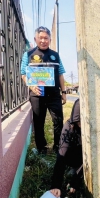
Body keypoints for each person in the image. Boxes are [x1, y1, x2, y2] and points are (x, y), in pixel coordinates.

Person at [21, 26, 67, 154]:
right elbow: (23, 73)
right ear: (35, 39)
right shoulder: (28, 54)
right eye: (40, 38)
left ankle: (58, 146)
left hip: (54, 95)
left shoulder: (55, 55)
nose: (43, 40)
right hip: (37, 94)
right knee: (38, 121)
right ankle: (41, 148)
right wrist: (31, 86)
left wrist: (63, 92)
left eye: (46, 38)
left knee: (58, 120)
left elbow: (61, 74)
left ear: (50, 39)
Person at [50, 99, 83, 198]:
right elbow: (61, 155)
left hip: (83, 160)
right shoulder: (69, 127)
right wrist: (56, 185)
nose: (81, 124)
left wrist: (75, 181)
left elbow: (91, 157)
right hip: (71, 157)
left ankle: (75, 173)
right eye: (78, 121)